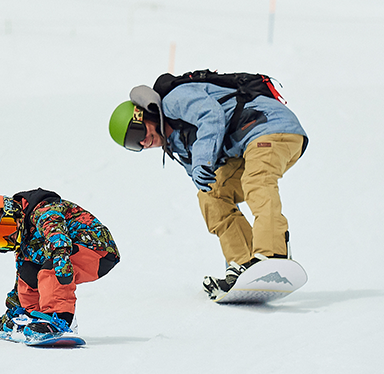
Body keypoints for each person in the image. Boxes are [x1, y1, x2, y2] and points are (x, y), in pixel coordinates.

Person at [106, 70, 307, 300]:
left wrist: (203, 160)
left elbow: (211, 116)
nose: (143, 142)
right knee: (210, 194)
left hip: (270, 126)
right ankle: (244, 264)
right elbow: (208, 180)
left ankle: (273, 253)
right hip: (248, 144)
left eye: (136, 132)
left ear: (143, 116)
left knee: (257, 180)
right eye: (134, 145)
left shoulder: (174, 100)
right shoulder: (177, 145)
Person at [0, 188, 120, 342]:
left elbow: (55, 229)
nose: (12, 237)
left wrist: (60, 253)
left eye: (7, 227)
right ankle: (33, 317)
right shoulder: (23, 241)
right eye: (3, 241)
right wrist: (13, 308)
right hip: (65, 253)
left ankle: (60, 320)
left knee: (51, 267)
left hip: (97, 250)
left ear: (13, 210)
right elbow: (21, 277)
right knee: (27, 271)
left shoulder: (43, 210)